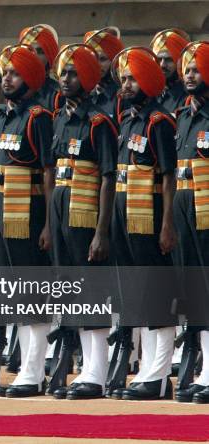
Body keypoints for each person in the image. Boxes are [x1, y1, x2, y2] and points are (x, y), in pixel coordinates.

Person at [49, 44, 118, 400]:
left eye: (73, 73)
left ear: (89, 78)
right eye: (63, 73)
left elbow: (108, 177)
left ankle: (97, 372)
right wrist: (49, 222)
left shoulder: (99, 123)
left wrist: (101, 231)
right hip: (61, 209)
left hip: (85, 213)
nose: (66, 79)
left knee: (90, 291)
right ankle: (85, 368)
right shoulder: (59, 117)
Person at [0, 44, 54, 397]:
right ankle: (26, 366)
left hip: (27, 214)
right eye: (5, 73)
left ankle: (34, 370)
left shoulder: (38, 116)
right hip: (0, 213)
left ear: (29, 77)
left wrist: (48, 224)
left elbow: (48, 171)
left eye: (14, 73)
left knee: (32, 292)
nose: (7, 79)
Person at [110, 47, 177, 401]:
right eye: (123, 79)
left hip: (149, 216)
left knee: (157, 291)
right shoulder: (129, 120)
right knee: (138, 292)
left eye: (132, 78)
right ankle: (149, 368)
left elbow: (168, 177)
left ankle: (159, 374)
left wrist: (167, 224)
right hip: (127, 216)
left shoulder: (159, 122)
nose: (126, 84)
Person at [168, 41, 209, 403]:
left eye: (195, 69)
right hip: (186, 205)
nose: (189, 75)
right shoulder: (183, 115)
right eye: (187, 69)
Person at [84, 27, 125, 121]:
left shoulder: (121, 98)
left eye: (102, 59)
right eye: (93, 59)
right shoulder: (85, 95)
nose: (97, 65)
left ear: (114, 61)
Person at [18, 24, 62, 112]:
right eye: (29, 50)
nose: (34, 55)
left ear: (49, 56)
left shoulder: (58, 95)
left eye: (40, 51)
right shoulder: (12, 90)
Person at [150, 29, 190, 115]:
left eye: (169, 60)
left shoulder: (189, 97)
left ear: (181, 62)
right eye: (158, 60)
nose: (162, 65)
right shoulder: (149, 95)